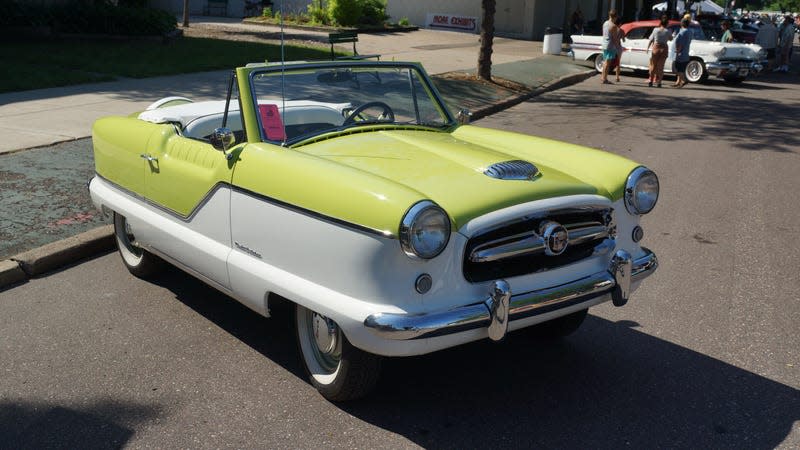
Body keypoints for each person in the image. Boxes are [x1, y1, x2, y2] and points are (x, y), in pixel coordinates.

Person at [647, 14, 673, 87]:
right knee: (661, 67)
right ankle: (659, 82)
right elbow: (671, 38)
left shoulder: (655, 30)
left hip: (656, 48)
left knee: (653, 66)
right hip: (664, 48)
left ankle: (651, 81)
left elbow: (651, 38)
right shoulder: (668, 31)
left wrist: (648, 48)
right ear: (667, 24)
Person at [601, 9, 621, 84]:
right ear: (615, 17)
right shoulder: (613, 26)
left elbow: (604, 34)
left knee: (605, 61)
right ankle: (605, 78)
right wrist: (618, 48)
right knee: (607, 62)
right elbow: (615, 39)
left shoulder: (605, 23)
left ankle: (603, 77)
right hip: (610, 46)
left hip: (605, 44)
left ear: (609, 15)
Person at [673, 17, 693, 87]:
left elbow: (680, 44)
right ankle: (678, 82)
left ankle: (684, 80)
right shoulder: (689, 31)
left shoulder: (683, 32)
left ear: (682, 23)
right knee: (681, 69)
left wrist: (677, 51)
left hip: (681, 53)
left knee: (677, 69)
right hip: (686, 52)